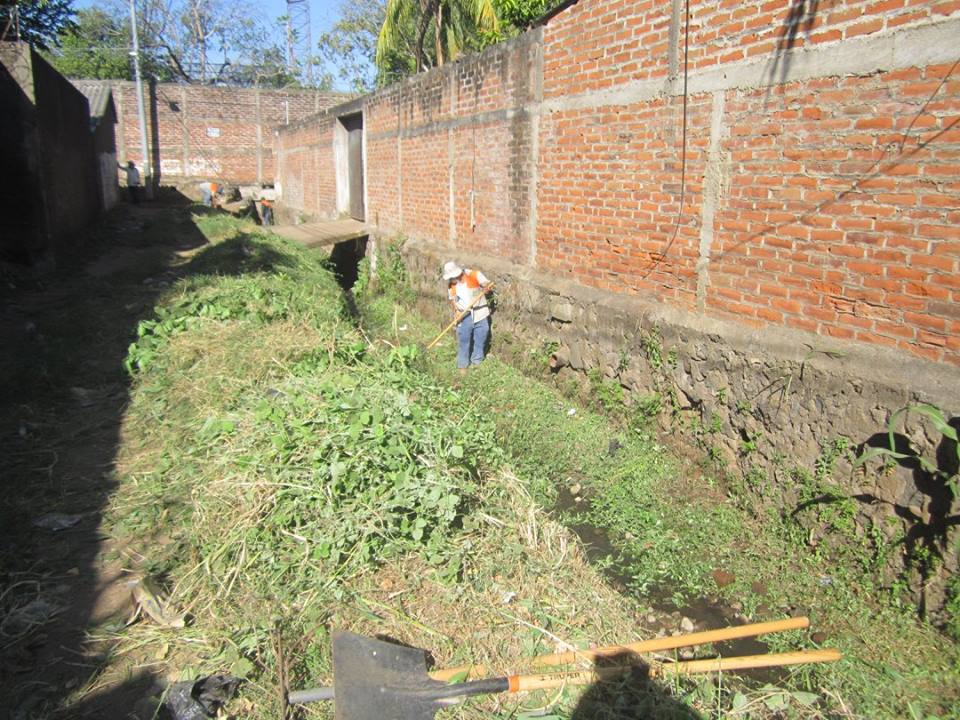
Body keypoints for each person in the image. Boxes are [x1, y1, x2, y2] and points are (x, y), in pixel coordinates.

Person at [443, 261, 493, 373]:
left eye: (453, 277)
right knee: (464, 340)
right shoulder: (451, 284)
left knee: (481, 336)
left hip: (480, 312)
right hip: (464, 315)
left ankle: (477, 361)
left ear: (458, 273)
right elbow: (453, 300)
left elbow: (488, 284)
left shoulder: (473, 275)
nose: (451, 279)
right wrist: (456, 312)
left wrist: (486, 288)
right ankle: (463, 365)